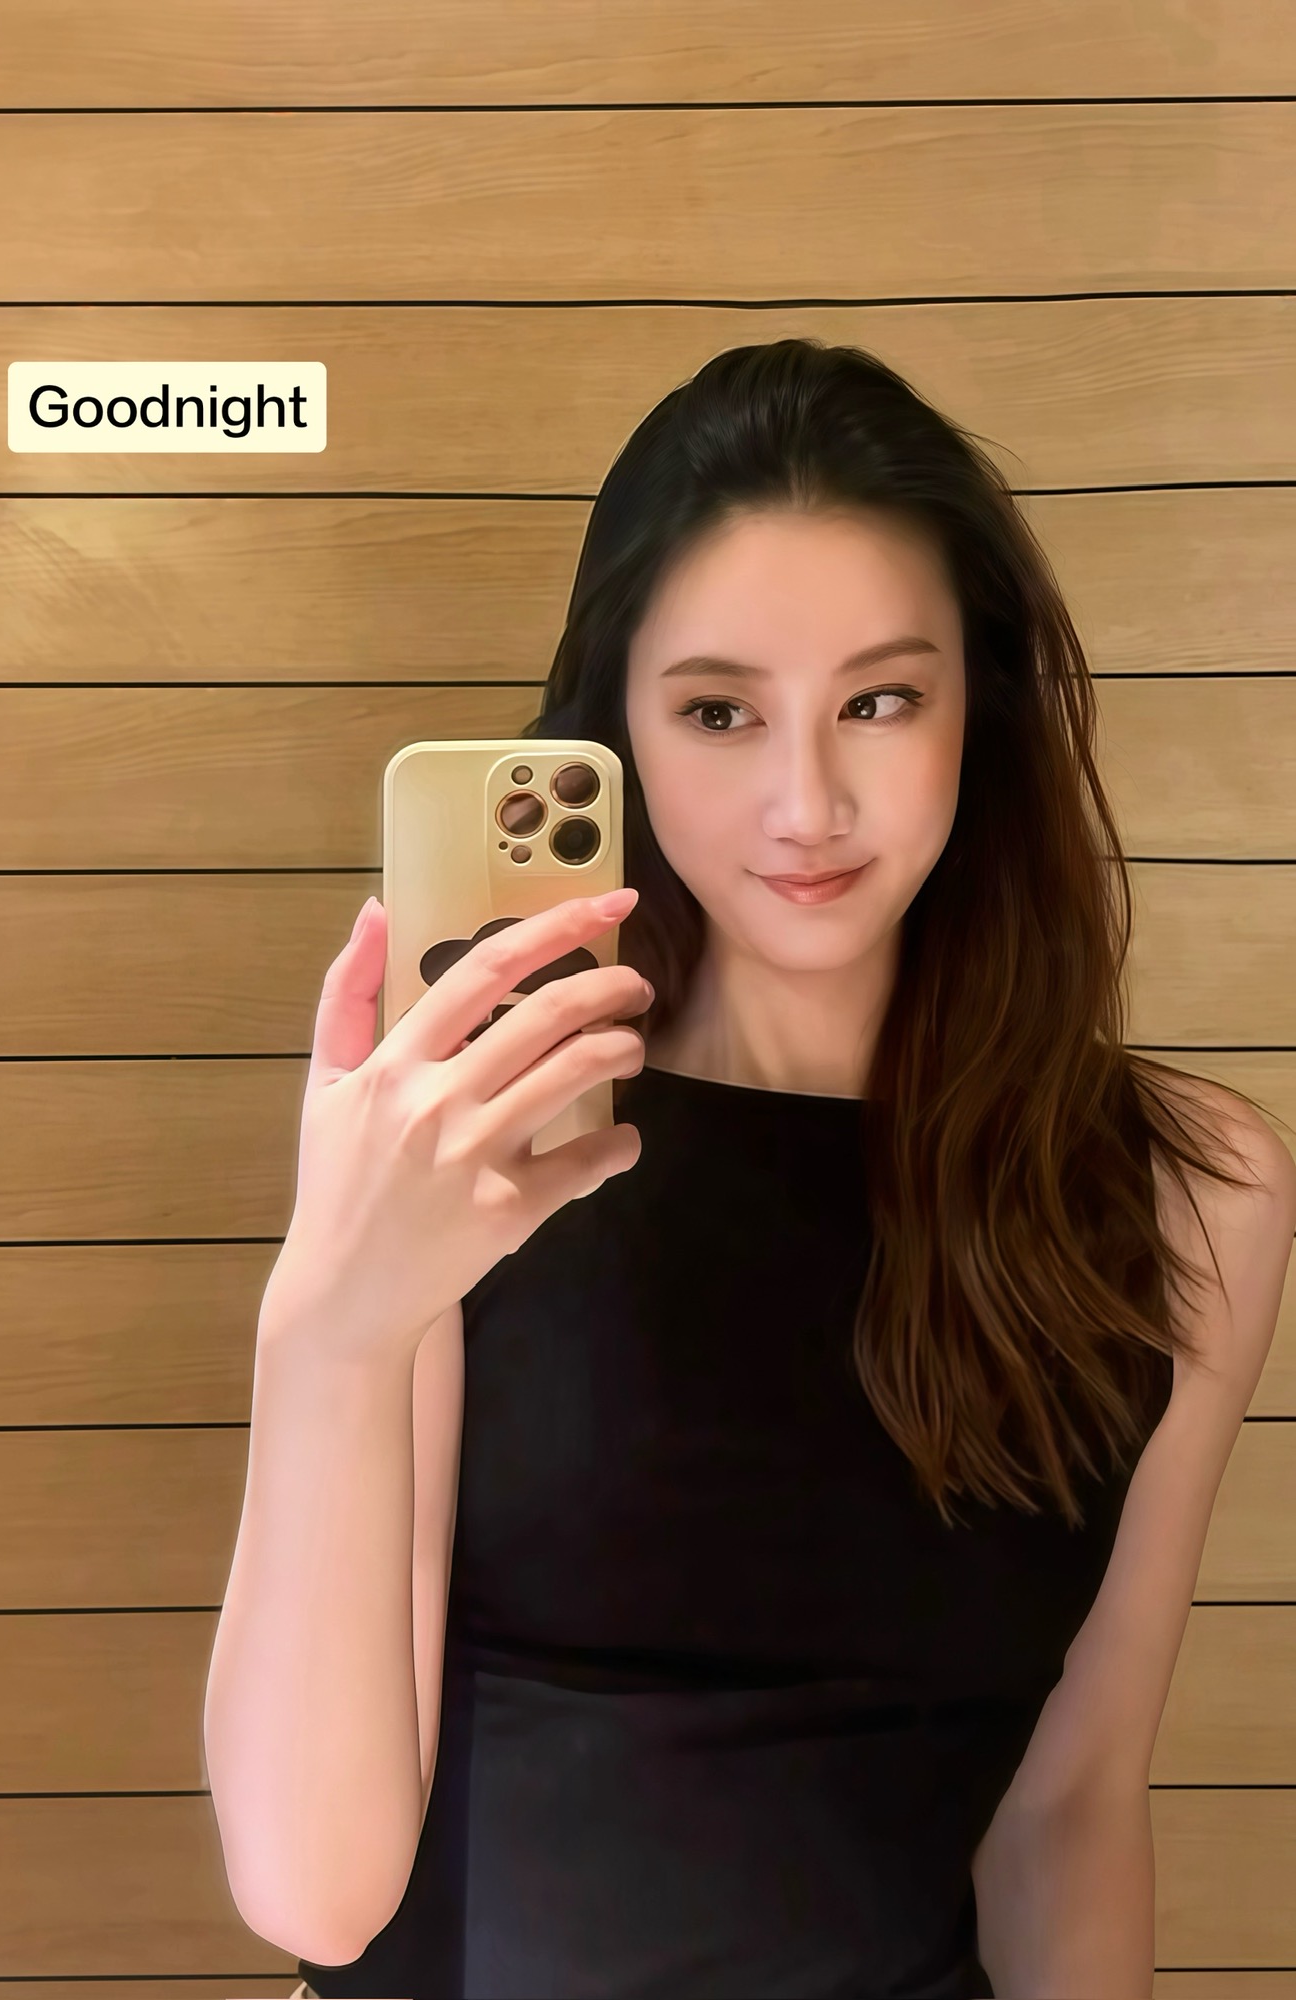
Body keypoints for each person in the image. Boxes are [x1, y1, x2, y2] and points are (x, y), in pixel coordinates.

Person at [203, 336, 1296, 1999]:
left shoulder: (1190, 1191)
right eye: (720, 712)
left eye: (881, 700)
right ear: (622, 729)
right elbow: (313, 1893)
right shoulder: (480, 1123)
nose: (807, 803)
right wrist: (331, 1326)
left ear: (979, 709)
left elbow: (1068, 1811)